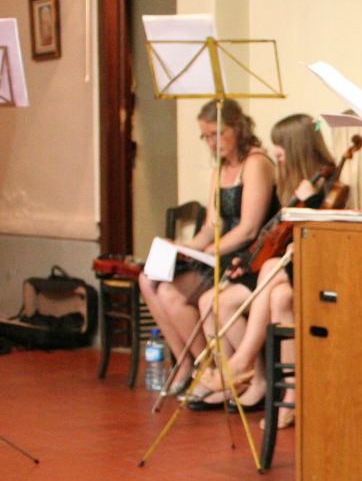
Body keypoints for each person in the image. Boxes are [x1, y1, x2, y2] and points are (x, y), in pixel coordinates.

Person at [188, 113, 335, 409]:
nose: (276, 154)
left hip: (302, 267)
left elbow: (316, 235)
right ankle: (253, 378)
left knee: (259, 280)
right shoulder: (290, 181)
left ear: (297, 148)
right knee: (213, 301)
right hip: (278, 262)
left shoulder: (325, 185)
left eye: (281, 148)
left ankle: (246, 368)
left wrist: (312, 200)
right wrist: (245, 259)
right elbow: (274, 234)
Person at [139, 99, 275, 388]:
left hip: (246, 257)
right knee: (150, 281)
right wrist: (184, 247)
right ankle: (192, 364)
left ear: (238, 128)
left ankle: (213, 370)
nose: (212, 143)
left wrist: (207, 251)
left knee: (172, 294)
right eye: (206, 136)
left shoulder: (256, 163)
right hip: (219, 252)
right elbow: (212, 226)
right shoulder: (220, 169)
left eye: (218, 134)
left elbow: (249, 229)